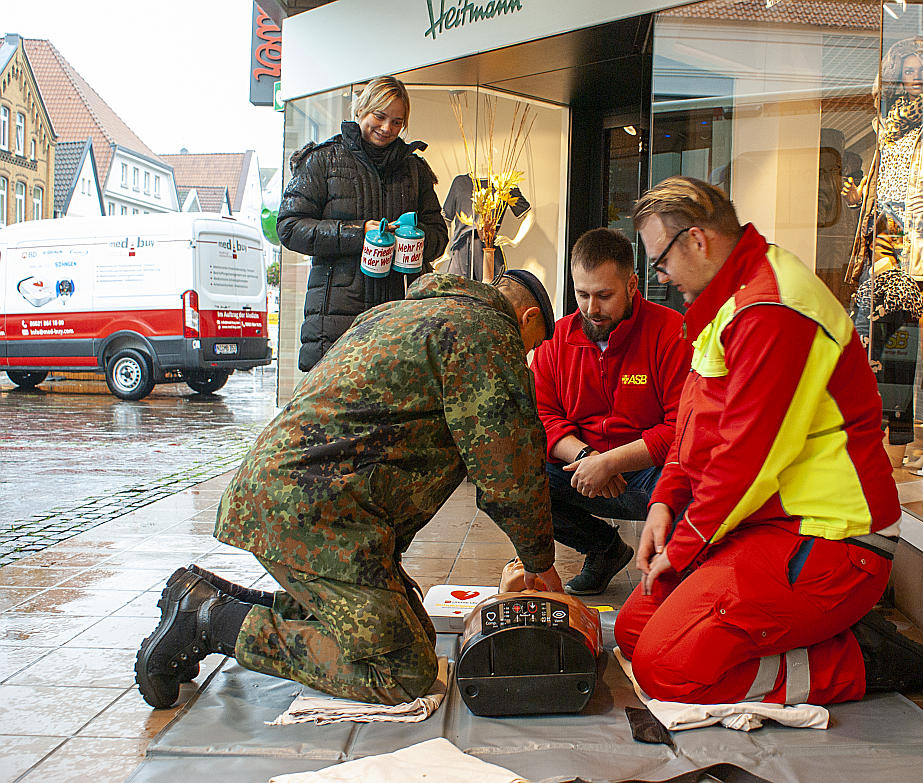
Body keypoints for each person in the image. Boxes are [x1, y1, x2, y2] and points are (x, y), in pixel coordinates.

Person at [135, 270, 562, 710]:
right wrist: (539, 563)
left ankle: (211, 597)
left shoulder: (397, 313)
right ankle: (207, 621)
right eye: (532, 345)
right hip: (316, 513)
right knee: (403, 669)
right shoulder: (488, 334)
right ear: (527, 319)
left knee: (412, 629)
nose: (527, 355)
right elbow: (511, 473)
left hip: (295, 494)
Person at [615, 176, 923, 706]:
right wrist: (665, 501)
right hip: (768, 529)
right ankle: (799, 640)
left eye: (660, 261)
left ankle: (858, 659)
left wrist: (682, 550)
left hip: (830, 544)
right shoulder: (731, 298)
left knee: (667, 670)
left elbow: (744, 463)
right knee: (634, 632)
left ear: (697, 241)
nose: (660, 277)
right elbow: (695, 430)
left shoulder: (771, 308)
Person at [531, 228, 689, 595]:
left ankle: (681, 577)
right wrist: (588, 457)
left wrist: (613, 462)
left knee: (699, 487)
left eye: (604, 295)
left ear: (633, 286)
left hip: (648, 474)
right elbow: (542, 415)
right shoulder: (555, 339)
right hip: (580, 468)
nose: (591, 308)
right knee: (511, 483)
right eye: (581, 294)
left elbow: (682, 426)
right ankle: (603, 550)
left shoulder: (671, 333)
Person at [278, 76, 449, 372]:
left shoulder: (414, 169)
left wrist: (415, 241)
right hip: (336, 324)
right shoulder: (323, 160)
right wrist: (358, 234)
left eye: (397, 122)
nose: (386, 128)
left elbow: (439, 235)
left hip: (401, 319)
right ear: (361, 110)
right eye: (379, 117)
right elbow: (290, 227)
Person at [843, 38, 923, 467]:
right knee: (875, 344)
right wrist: (861, 198)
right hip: (882, 241)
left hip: (919, 245)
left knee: (901, 347)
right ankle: (885, 439)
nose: (914, 81)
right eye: (907, 72)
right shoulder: (889, 126)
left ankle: (900, 441)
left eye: (920, 71)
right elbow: (886, 185)